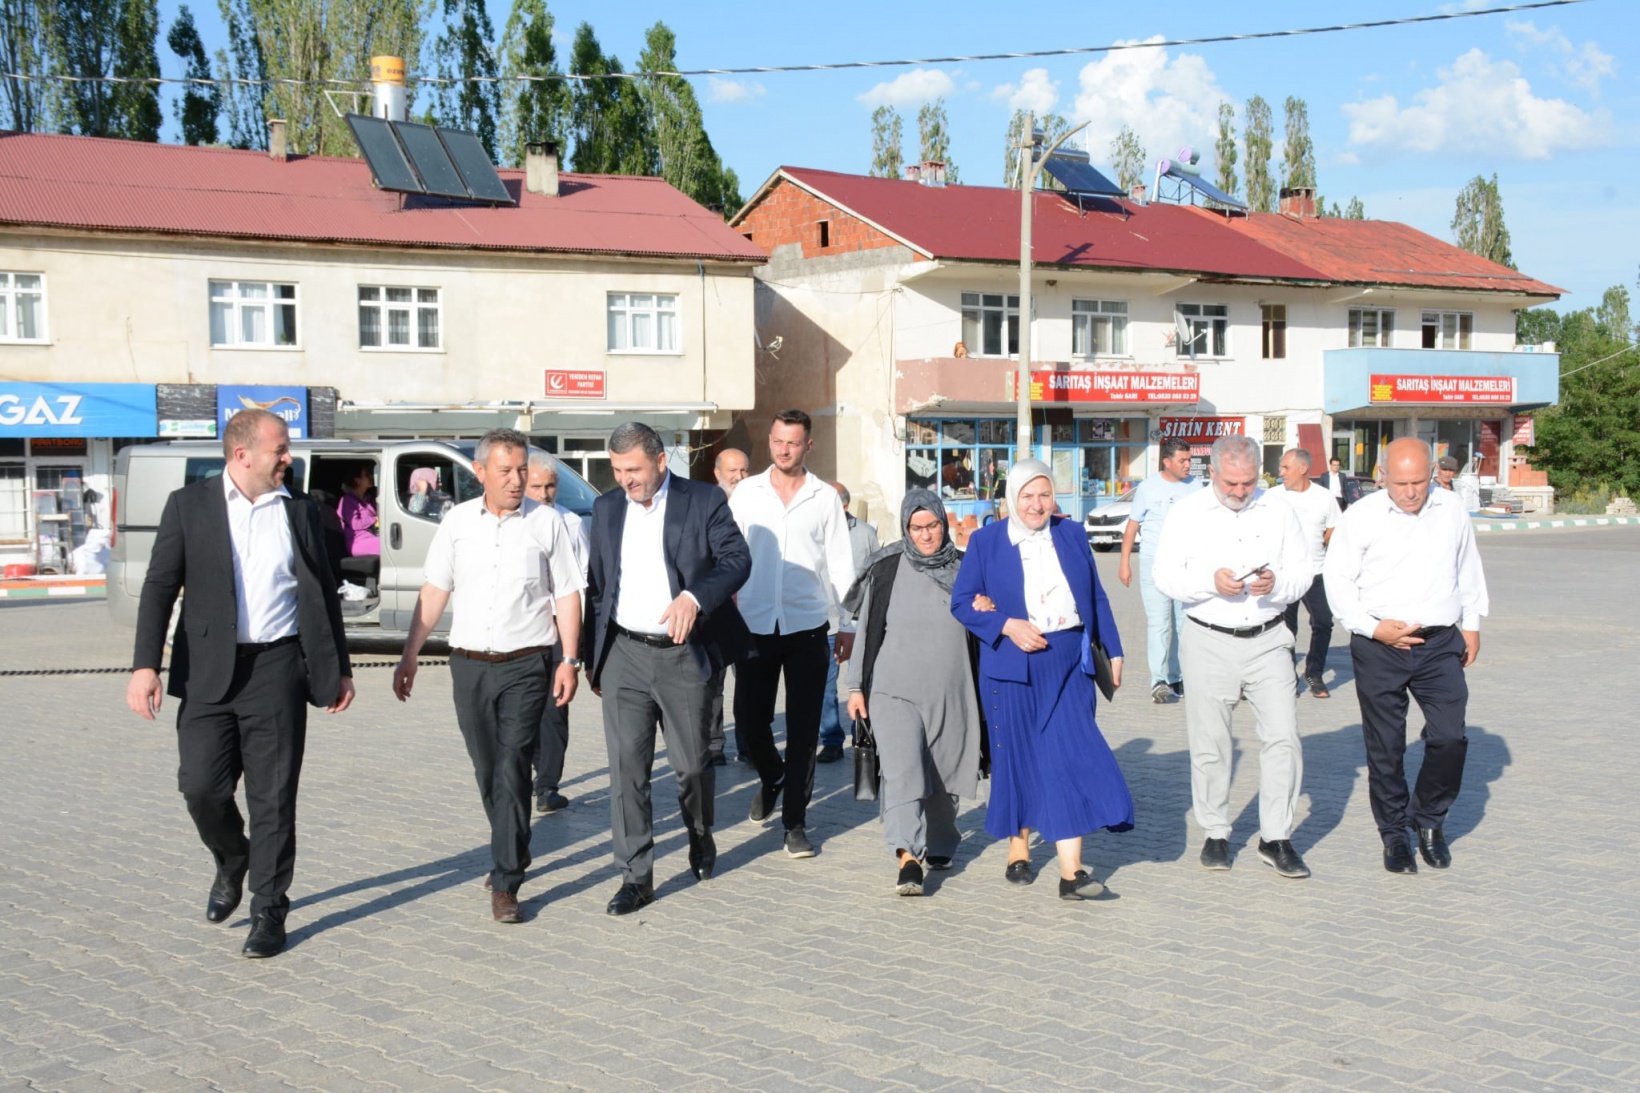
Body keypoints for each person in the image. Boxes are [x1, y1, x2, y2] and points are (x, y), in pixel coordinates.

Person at [125, 409, 355, 959]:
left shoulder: (302, 511)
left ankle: (268, 911)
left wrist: (337, 667)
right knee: (200, 788)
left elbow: (324, 594)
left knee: (273, 798)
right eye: (279, 449)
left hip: (276, 670)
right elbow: (159, 587)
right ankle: (232, 859)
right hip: (205, 671)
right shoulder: (190, 506)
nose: (288, 458)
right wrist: (143, 666)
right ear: (242, 454)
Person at [392, 429, 584, 925]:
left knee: (513, 765)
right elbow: (435, 590)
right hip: (469, 665)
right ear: (479, 473)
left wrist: (569, 659)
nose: (517, 480)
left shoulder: (549, 524)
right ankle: (513, 847)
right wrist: (410, 653)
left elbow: (567, 594)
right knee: (486, 768)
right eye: (506, 471)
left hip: (527, 663)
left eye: (522, 469)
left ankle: (505, 882)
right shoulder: (456, 523)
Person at [583, 423, 751, 915]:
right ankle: (636, 876)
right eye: (616, 471)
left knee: (693, 767)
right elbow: (598, 586)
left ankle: (700, 834)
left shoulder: (702, 501)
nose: (625, 481)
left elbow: (737, 559)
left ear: (660, 462)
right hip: (624, 657)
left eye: (633, 469)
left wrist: (695, 597)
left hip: (683, 653)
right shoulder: (606, 508)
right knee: (627, 773)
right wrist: (592, 661)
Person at [950, 459, 1132, 900]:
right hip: (1011, 667)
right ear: (1012, 498)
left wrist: (1116, 648)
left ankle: (1072, 874)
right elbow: (960, 602)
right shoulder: (988, 541)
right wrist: (1007, 626)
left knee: (1070, 755)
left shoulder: (1070, 534)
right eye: (1027, 496)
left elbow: (1096, 595)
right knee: (1019, 758)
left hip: (1069, 663)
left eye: (1044, 494)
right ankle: (1020, 849)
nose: (1036, 504)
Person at [1151, 434, 1314, 880]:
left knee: (1283, 737)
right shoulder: (1187, 512)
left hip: (1268, 638)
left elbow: (1304, 571)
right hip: (1208, 638)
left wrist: (1277, 583)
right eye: (1230, 484)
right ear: (1213, 473)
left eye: (1247, 483)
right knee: (1211, 743)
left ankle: (1276, 836)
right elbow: (1164, 574)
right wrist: (1210, 581)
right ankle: (1216, 832)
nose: (1240, 492)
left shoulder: (1280, 510)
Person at [1323, 437, 1488, 875]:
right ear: (1382, 477)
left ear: (1433, 473)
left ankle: (1430, 820)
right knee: (1386, 747)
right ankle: (1394, 834)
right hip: (1380, 644)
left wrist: (1471, 623)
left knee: (1450, 737)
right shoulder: (1360, 517)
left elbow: (1466, 565)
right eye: (1401, 483)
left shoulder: (1450, 509)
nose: (1411, 491)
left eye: (1419, 481)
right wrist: (1372, 627)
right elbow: (1337, 582)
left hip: (1439, 643)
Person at [729, 410, 856, 859]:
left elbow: (842, 564)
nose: (784, 450)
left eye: (793, 443)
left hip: (808, 628)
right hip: (755, 626)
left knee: (804, 731)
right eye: (778, 441)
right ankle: (773, 776)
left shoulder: (823, 498)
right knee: (748, 719)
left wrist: (848, 624)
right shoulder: (747, 493)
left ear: (808, 446)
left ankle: (795, 824)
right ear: (770, 440)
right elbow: (728, 554)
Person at [844, 490, 982, 896]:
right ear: (905, 527)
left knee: (942, 773)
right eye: (916, 527)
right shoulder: (887, 567)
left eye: (933, 525)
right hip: (892, 689)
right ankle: (907, 856)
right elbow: (867, 630)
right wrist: (856, 687)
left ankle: (942, 842)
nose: (925, 535)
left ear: (944, 522)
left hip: (951, 688)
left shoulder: (966, 567)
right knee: (904, 771)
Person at [523, 450, 590, 815]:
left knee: (554, 709)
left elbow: (581, 585)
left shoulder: (571, 524)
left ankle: (547, 784)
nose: (545, 493)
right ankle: (533, 768)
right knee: (524, 710)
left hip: (558, 627)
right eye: (537, 486)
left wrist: (575, 647)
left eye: (550, 486)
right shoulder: (516, 522)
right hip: (522, 631)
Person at [1117, 437, 1194, 704]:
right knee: (1160, 623)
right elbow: (1132, 527)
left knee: (1184, 624)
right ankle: (1158, 680)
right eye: (1182, 460)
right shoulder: (1148, 488)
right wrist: (1125, 562)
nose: (1188, 464)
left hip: (1185, 565)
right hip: (1154, 563)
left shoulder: (1196, 487)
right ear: (1167, 461)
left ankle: (1179, 675)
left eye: (1189, 459)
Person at [1267, 448, 1341, 699]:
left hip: (1316, 573)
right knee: (1286, 628)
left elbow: (1334, 527)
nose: (1281, 473)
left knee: (1323, 622)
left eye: (1286, 468)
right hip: (1284, 574)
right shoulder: (1273, 496)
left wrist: (1323, 542)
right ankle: (1287, 676)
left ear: (1302, 469)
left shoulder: (1324, 497)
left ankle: (1314, 672)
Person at [817, 481, 879, 764]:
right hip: (826, 622)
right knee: (826, 686)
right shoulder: (814, 531)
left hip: (858, 622)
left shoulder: (865, 534)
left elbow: (875, 575)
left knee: (861, 682)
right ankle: (831, 739)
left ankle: (862, 735)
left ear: (843, 505)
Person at [707, 447, 752, 766]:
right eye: (732, 471)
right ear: (718, 474)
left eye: (744, 471)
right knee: (713, 683)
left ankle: (749, 745)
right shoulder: (707, 507)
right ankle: (713, 744)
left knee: (750, 683)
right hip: (718, 610)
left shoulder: (759, 505)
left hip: (752, 609)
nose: (738, 476)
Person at [337, 462, 380, 557]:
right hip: (357, 541)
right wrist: (375, 519)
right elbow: (355, 524)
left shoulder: (368, 499)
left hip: (372, 536)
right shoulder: (347, 500)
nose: (371, 477)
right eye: (366, 475)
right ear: (357, 480)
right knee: (389, 545)